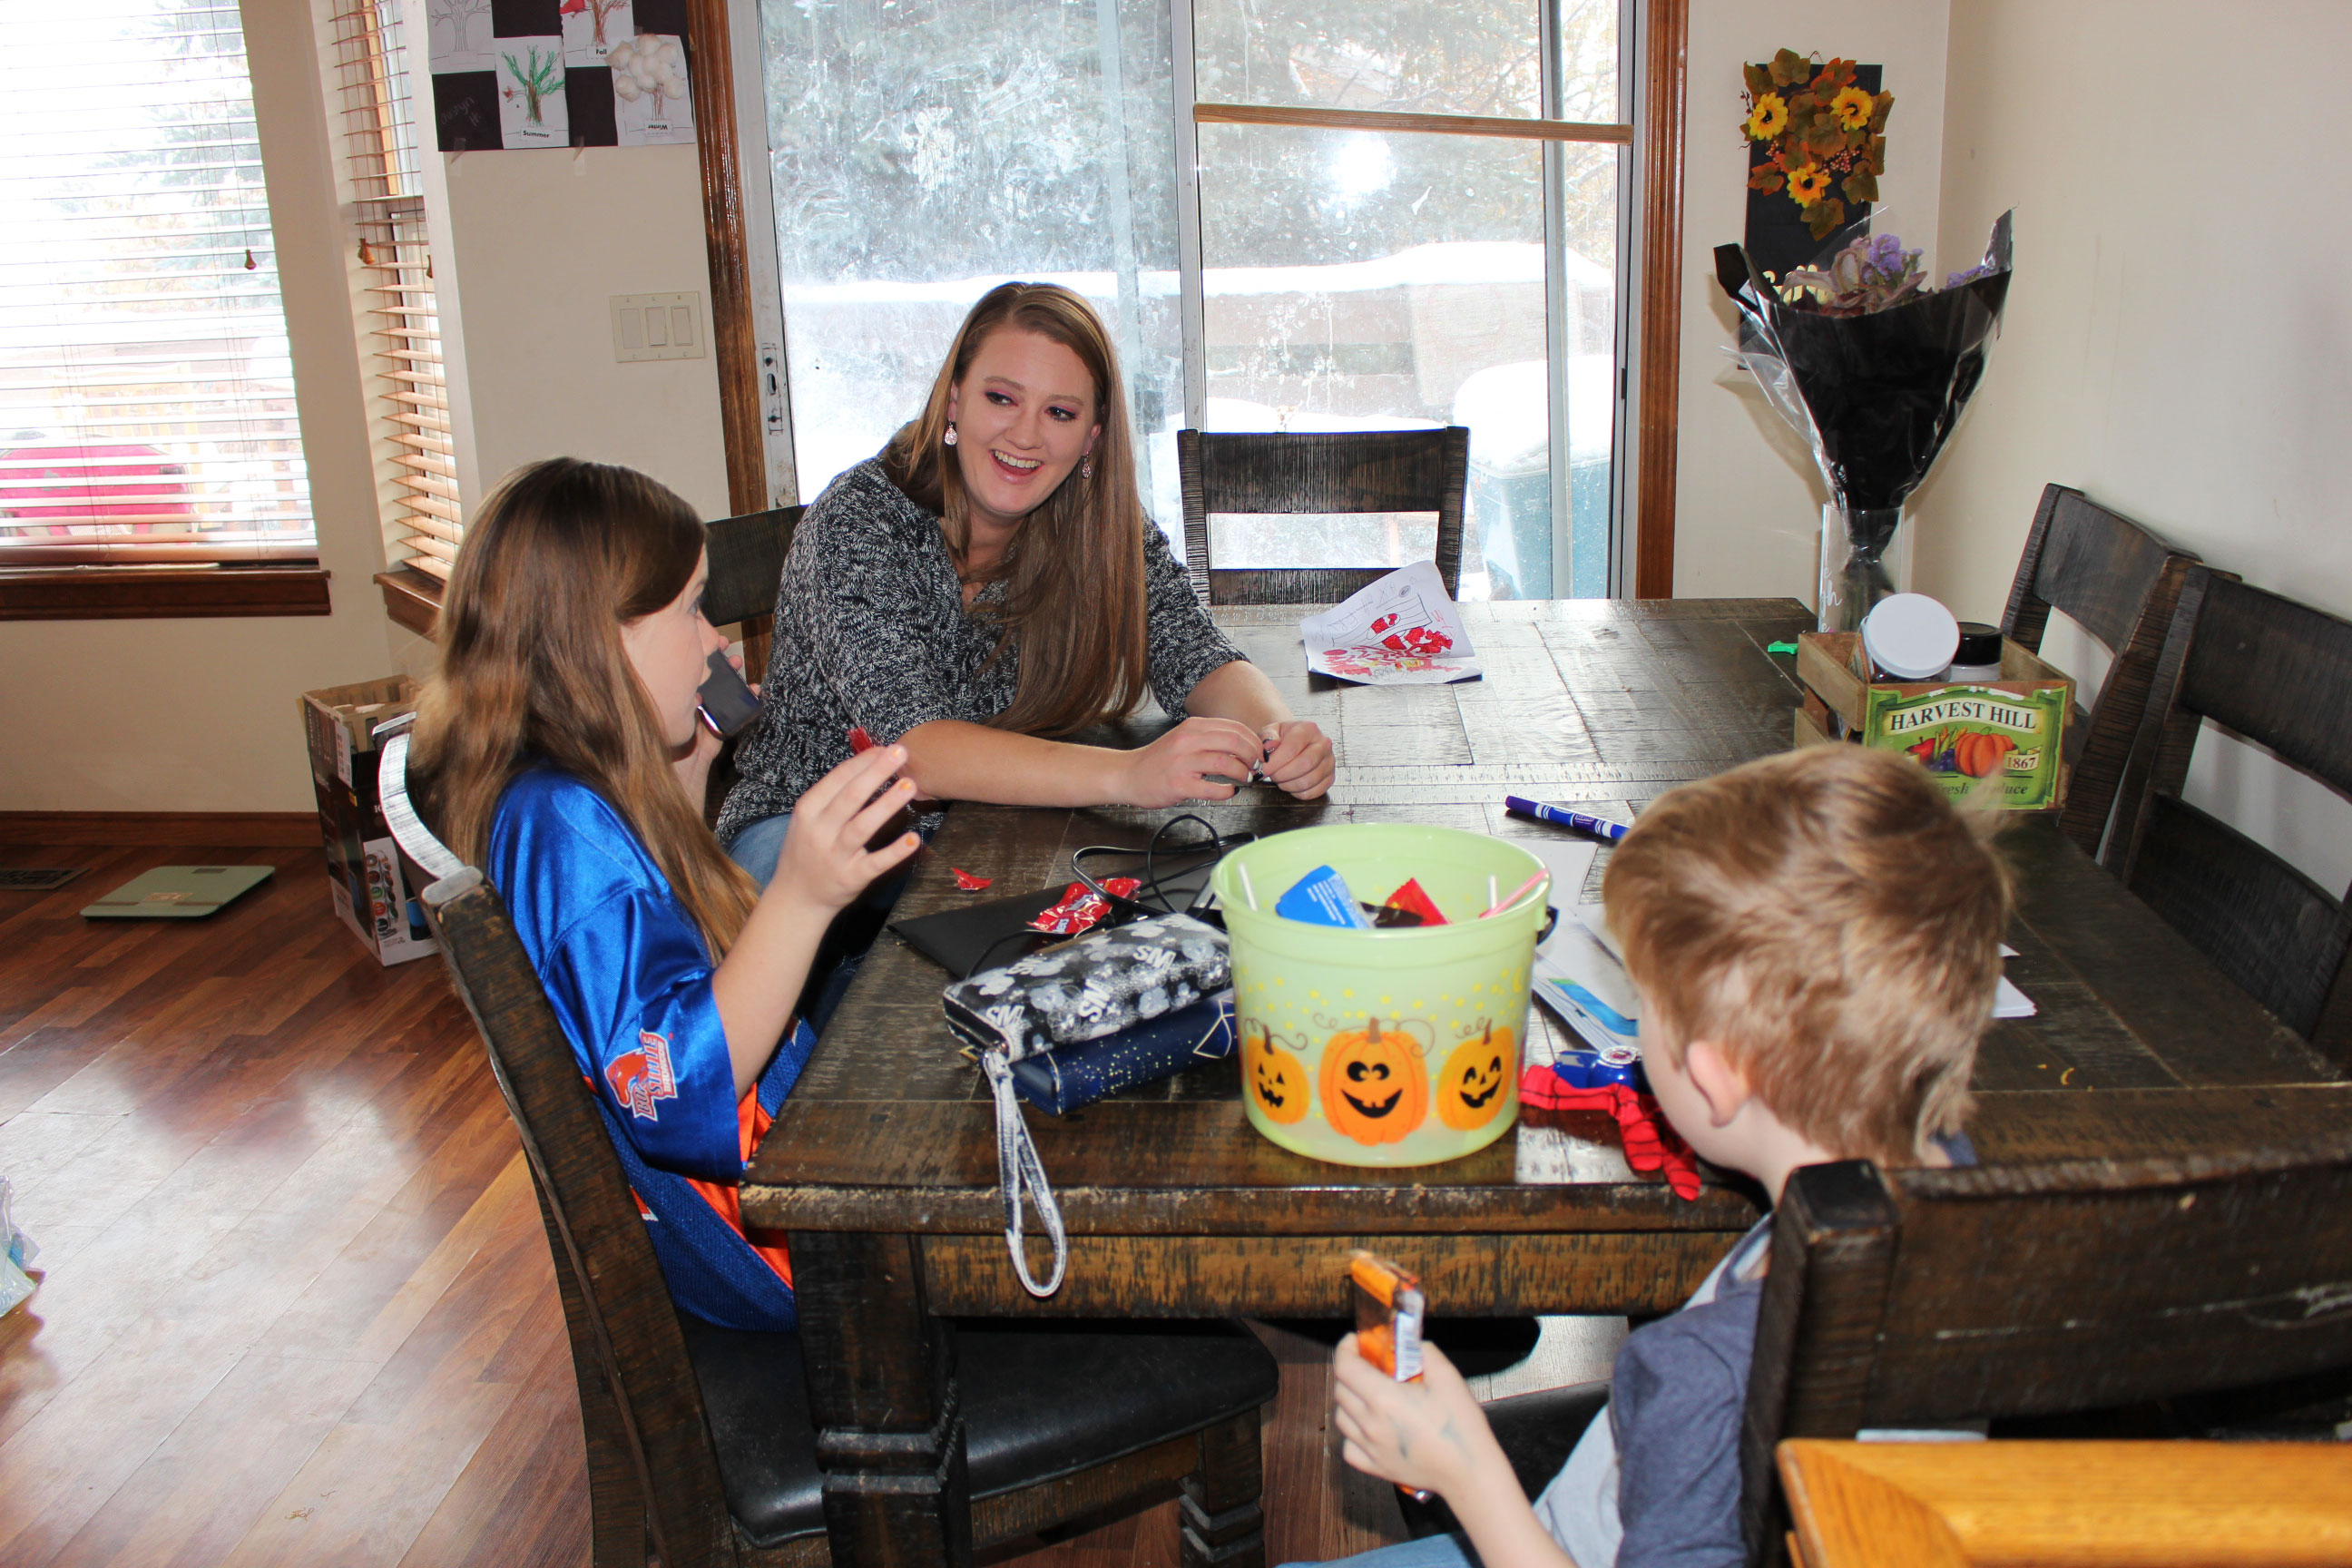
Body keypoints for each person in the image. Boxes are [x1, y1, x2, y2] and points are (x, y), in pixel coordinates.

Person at [1311, 746, 2012, 1568]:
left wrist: (1465, 1469)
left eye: (1648, 1009)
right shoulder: (1967, 1205)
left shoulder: (1700, 1375)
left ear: (1714, 1079)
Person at [409, 458, 923, 1332]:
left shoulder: (563, 795)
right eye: (690, 607)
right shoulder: (558, 825)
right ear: (598, 639)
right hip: (784, 1246)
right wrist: (801, 895)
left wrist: (689, 771)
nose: (718, 640)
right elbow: (674, 1095)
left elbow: (659, 946)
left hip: (763, 1201)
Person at [716, 280, 1336, 884]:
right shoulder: (861, 521)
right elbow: (918, 751)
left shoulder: (1100, 522)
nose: (1025, 435)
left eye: (1060, 412)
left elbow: (1195, 653)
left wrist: (1279, 735)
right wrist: (1130, 775)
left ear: (1092, 436)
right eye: (1001, 399)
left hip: (983, 830)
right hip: (804, 837)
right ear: (955, 399)